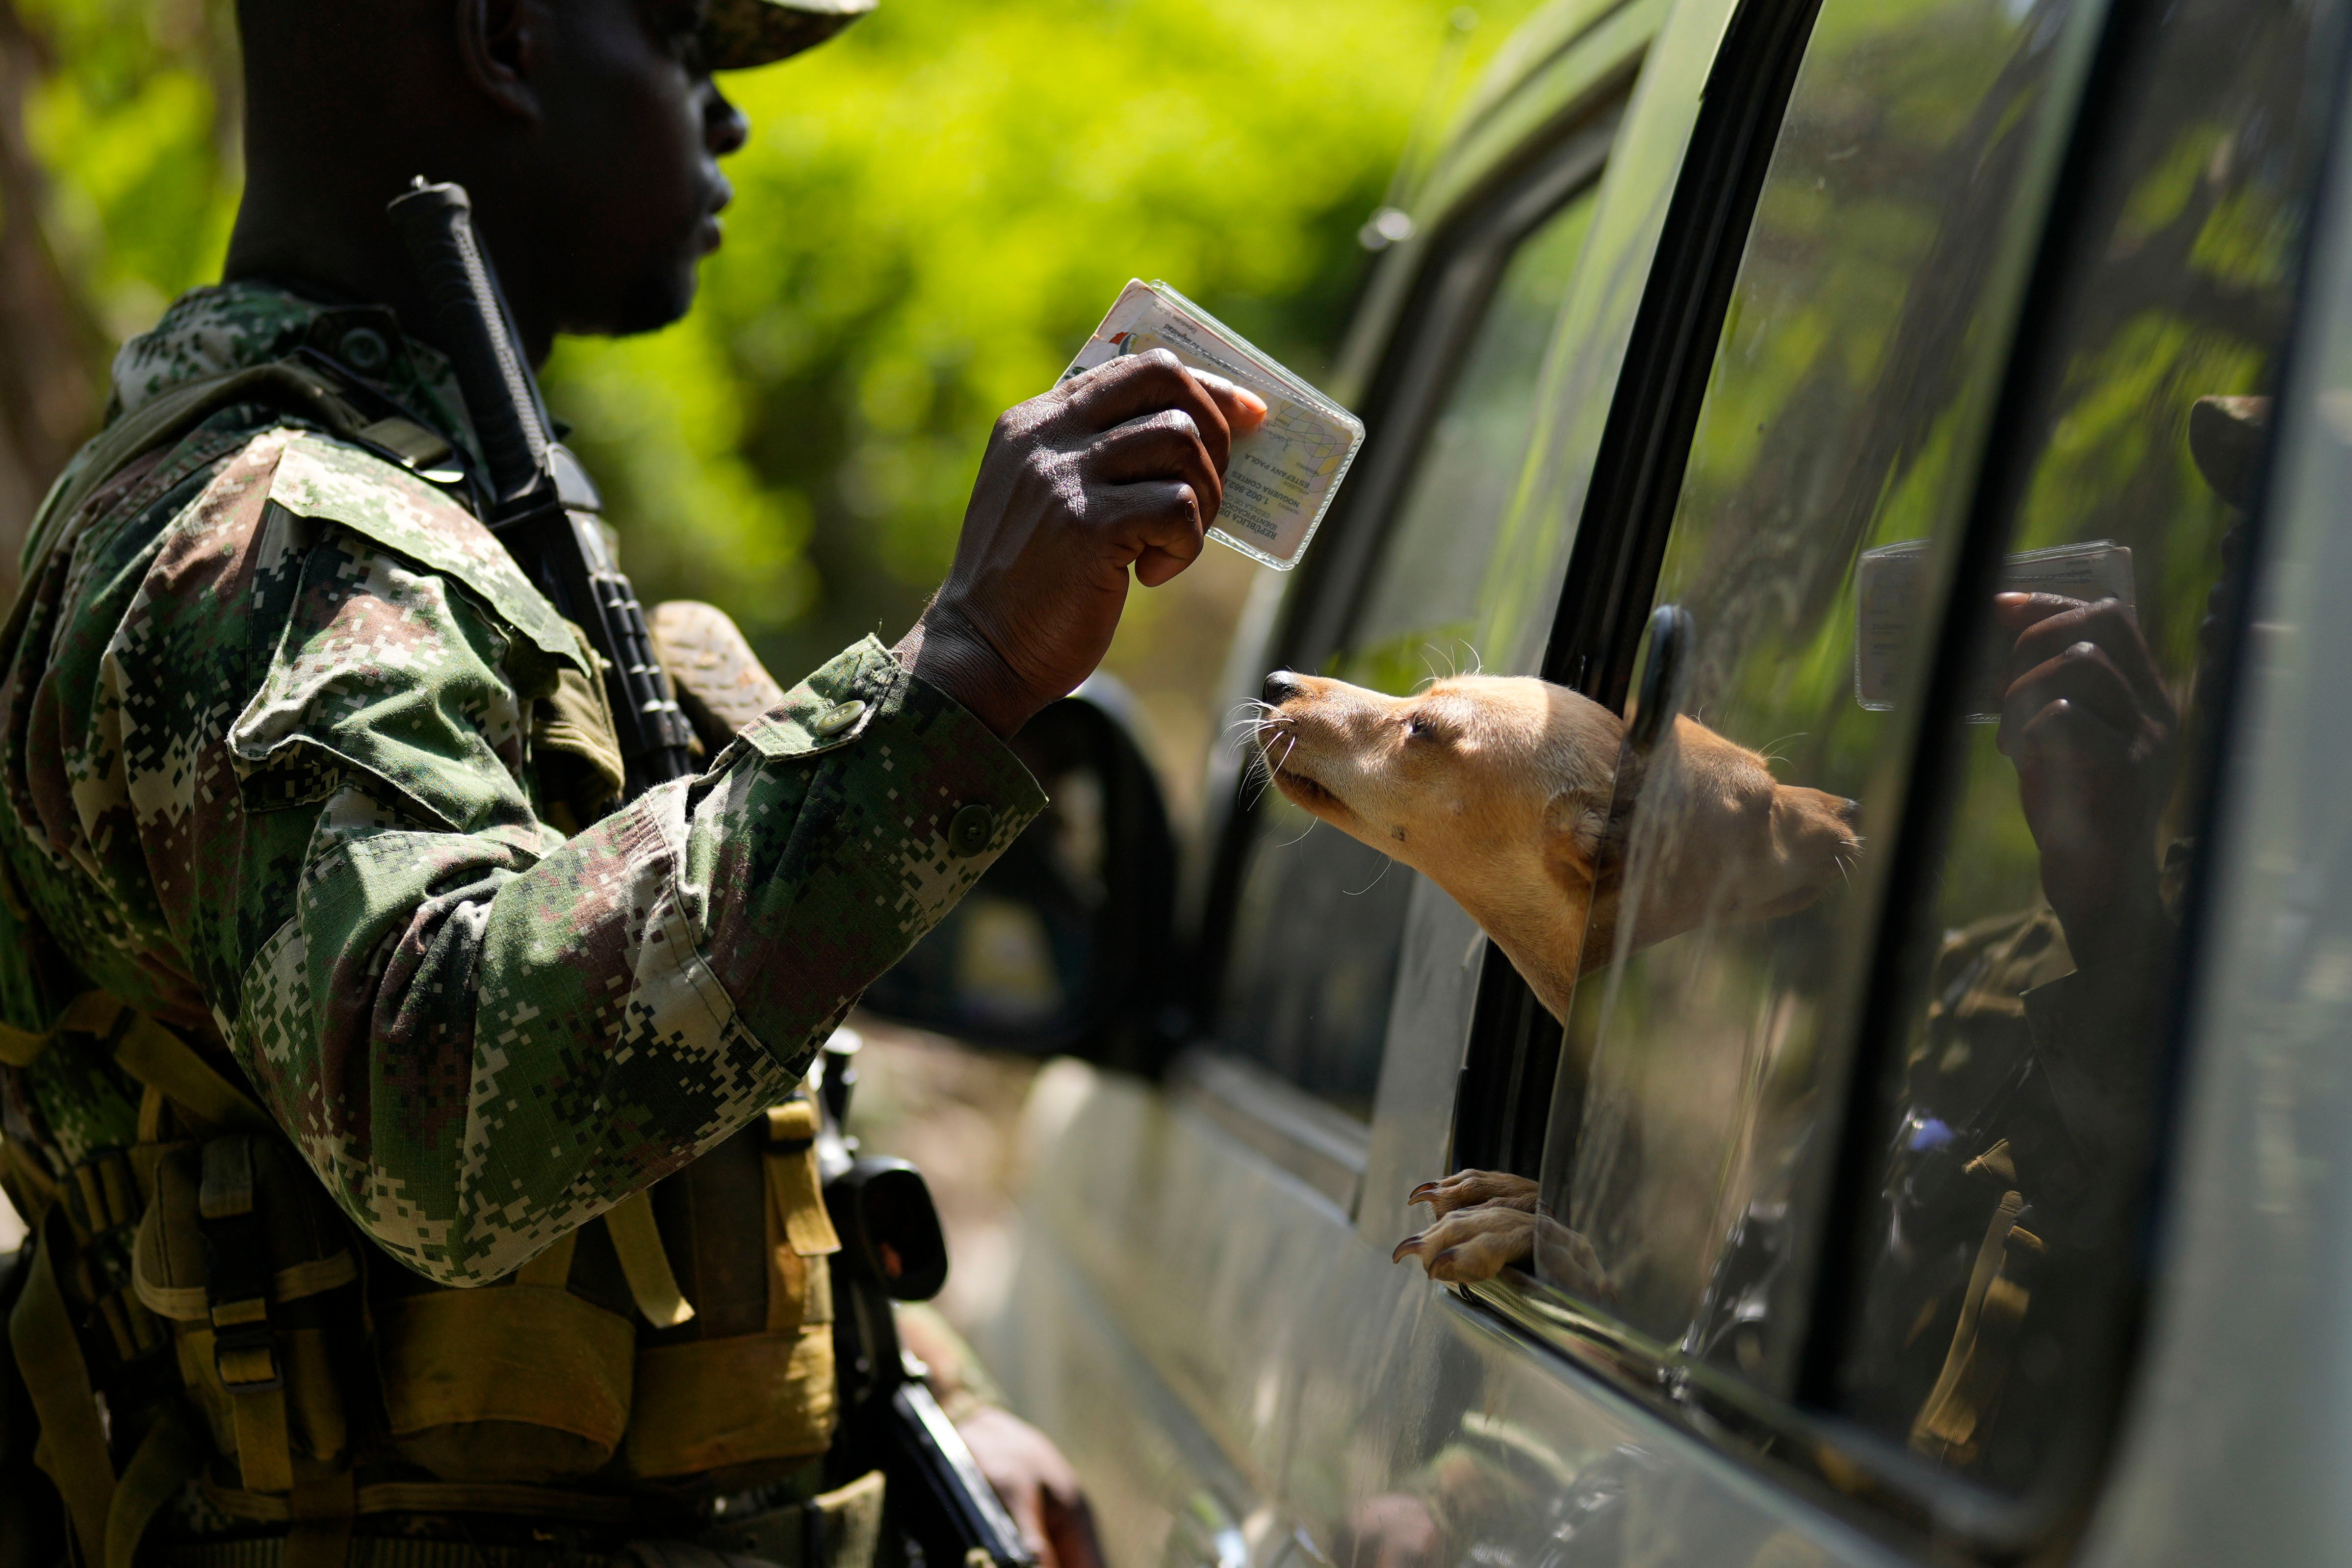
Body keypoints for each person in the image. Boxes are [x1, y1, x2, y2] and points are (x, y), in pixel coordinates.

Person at [0, 1, 1265, 1566]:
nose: (723, 120)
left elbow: (688, 1112)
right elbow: (441, 1105)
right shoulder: (286, 543)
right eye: (687, 46)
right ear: (502, 34)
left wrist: (915, 1382)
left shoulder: (426, 506)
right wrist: (969, 667)